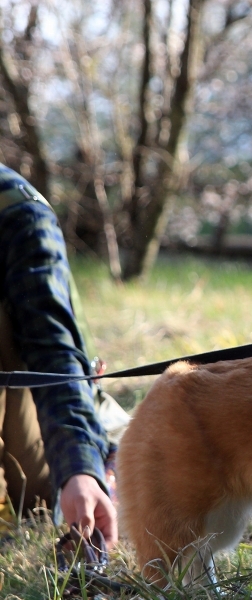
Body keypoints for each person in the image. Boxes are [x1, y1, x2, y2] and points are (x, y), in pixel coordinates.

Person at [0, 162, 116, 545]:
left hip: (27, 403)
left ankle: (108, 456)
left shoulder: (16, 209)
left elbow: (52, 349)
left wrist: (79, 469)